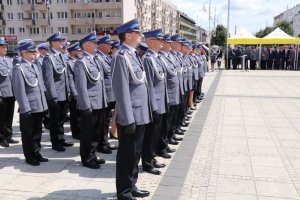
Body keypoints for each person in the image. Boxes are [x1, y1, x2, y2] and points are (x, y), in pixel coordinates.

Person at [111, 19, 151, 200]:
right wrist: (128, 119)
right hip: (131, 116)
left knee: (135, 154)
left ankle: (132, 186)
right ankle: (124, 192)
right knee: (127, 156)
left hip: (140, 113)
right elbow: (121, 90)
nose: (141, 35)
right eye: (138, 32)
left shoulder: (134, 55)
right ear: (128, 35)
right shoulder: (121, 57)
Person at [74, 31, 107, 169]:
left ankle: (93, 154)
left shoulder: (95, 59)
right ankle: (86, 158)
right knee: (88, 132)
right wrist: (86, 105)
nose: (96, 45)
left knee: (96, 131)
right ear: (86, 45)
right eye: (94, 43)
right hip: (90, 104)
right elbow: (81, 86)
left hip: (99, 102)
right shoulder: (82, 62)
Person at [12, 40, 48, 166]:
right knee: (28, 134)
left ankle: (36, 152)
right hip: (29, 107)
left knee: (37, 131)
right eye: (32, 51)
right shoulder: (19, 69)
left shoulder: (35, 65)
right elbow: (19, 90)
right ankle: (30, 156)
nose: (35, 53)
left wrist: (44, 104)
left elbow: (40, 86)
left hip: (39, 105)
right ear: (24, 53)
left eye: (34, 51)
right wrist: (25, 108)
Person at [42, 32, 74, 152]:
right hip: (56, 95)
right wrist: (52, 97)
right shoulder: (48, 58)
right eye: (59, 41)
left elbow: (66, 76)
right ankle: (55, 142)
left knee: (61, 119)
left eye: (62, 40)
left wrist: (69, 91)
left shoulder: (62, 56)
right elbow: (48, 80)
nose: (62, 43)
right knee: (55, 120)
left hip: (64, 94)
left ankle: (61, 139)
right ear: (53, 43)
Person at [142, 29, 168, 176]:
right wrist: (153, 105)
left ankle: (152, 157)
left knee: (156, 133)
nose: (162, 42)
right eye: (159, 40)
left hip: (161, 101)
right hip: (154, 103)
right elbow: (149, 84)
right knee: (150, 134)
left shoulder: (157, 58)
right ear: (150, 41)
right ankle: (147, 162)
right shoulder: (148, 59)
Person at [95, 35, 118, 154]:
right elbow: (101, 80)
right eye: (108, 44)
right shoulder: (98, 58)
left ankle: (104, 142)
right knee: (102, 121)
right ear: (101, 45)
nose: (110, 46)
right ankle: (101, 144)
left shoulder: (107, 58)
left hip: (110, 94)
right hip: (104, 95)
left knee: (106, 120)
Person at [0, 37, 18, 148]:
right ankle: (1, 138)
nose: (6, 49)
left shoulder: (7, 60)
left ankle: (8, 136)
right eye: (3, 47)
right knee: (1, 118)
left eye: (6, 47)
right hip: (1, 94)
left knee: (9, 116)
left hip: (10, 93)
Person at [66, 42, 82, 140]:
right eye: (78, 50)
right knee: (75, 115)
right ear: (72, 52)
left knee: (80, 114)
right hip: (75, 92)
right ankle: (76, 133)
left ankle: (80, 130)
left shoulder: (78, 61)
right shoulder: (69, 63)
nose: (80, 52)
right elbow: (70, 80)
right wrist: (75, 93)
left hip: (81, 91)